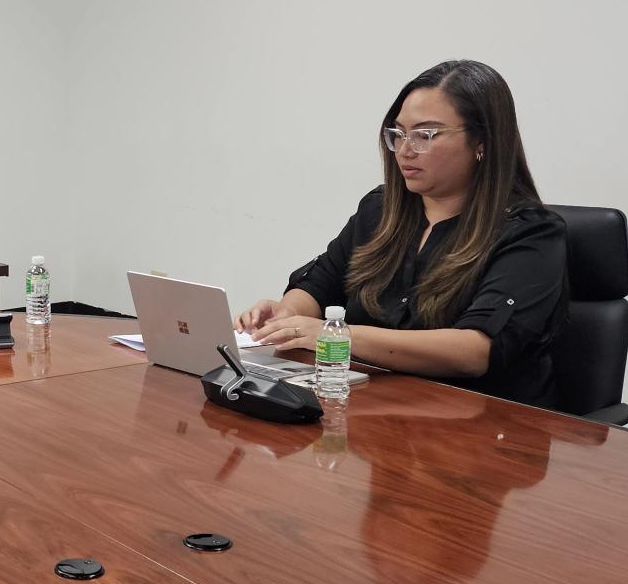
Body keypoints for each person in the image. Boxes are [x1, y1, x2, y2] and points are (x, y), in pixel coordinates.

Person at [237, 59, 569, 408]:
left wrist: (336, 336)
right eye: (397, 134)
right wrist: (287, 316)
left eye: (425, 135)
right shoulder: (380, 209)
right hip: (375, 409)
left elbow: (474, 350)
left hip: (482, 425)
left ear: (481, 142)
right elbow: (320, 286)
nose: (406, 150)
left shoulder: (531, 232)